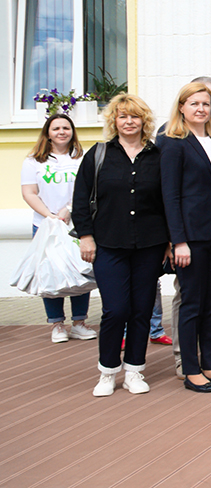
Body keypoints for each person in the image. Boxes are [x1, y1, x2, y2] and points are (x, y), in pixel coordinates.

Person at [73, 95, 166, 396]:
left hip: (150, 244)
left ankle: (134, 371)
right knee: (115, 309)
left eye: (135, 116)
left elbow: (167, 201)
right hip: (108, 244)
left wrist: (170, 241)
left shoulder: (158, 155)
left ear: (144, 121)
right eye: (123, 116)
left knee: (141, 309)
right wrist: (85, 236)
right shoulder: (99, 154)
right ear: (114, 120)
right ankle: (108, 371)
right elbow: (81, 198)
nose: (129, 121)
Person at [158, 82, 211, 393]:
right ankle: (191, 369)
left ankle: (209, 364)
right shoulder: (172, 143)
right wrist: (177, 240)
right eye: (194, 103)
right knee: (192, 302)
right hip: (191, 237)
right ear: (182, 107)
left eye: (206, 104)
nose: (201, 109)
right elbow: (169, 196)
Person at [21, 114, 94, 343]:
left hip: (77, 224)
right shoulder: (33, 161)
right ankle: (57, 324)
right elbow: (29, 192)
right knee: (50, 273)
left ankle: (79, 323)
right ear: (48, 133)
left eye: (66, 128)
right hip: (46, 225)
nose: (62, 132)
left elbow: (89, 189)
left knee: (81, 273)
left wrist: (69, 209)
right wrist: (50, 215)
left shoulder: (81, 158)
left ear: (72, 131)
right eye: (56, 128)